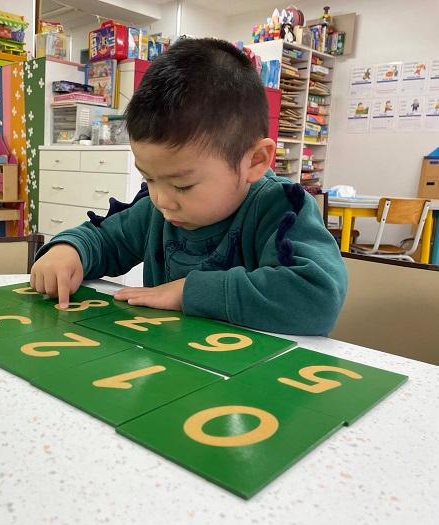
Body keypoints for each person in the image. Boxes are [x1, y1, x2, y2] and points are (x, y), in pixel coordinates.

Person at [31, 38, 347, 335]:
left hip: (248, 383)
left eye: (182, 186)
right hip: (168, 369)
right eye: (148, 178)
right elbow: (104, 239)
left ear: (254, 161)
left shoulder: (280, 209)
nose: (161, 199)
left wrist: (187, 292)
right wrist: (68, 250)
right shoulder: (156, 210)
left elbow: (318, 297)